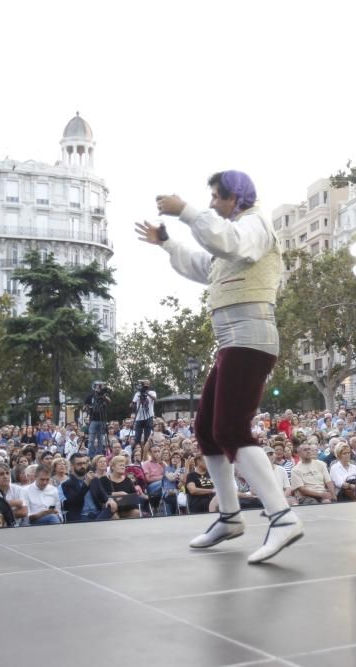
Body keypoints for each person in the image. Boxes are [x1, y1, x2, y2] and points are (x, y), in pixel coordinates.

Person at [135, 170, 302, 564]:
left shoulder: (255, 225)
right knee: (208, 431)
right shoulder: (235, 232)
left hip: (251, 340)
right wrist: (167, 243)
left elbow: (230, 245)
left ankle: (282, 518)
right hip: (233, 343)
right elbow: (205, 266)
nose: (211, 204)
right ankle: (228, 517)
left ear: (235, 197)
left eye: (215, 197)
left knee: (230, 429)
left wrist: (187, 211)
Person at [84, 381, 111, 457]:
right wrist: (89, 408)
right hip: (93, 419)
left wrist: (103, 396)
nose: (99, 388)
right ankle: (91, 456)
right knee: (91, 439)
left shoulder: (105, 395)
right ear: (94, 387)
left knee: (101, 439)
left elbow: (109, 402)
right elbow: (85, 406)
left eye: (100, 386)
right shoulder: (90, 396)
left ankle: (100, 455)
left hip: (102, 419)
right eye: (98, 386)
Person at [131, 380, 157, 447]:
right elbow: (132, 404)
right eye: (144, 384)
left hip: (149, 416)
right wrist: (136, 402)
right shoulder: (137, 393)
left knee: (147, 436)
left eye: (147, 384)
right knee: (137, 437)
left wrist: (146, 393)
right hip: (139, 417)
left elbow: (154, 398)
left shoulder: (152, 392)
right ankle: (137, 451)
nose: (145, 386)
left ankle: (146, 451)